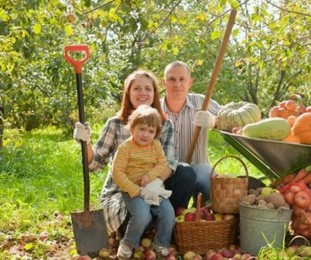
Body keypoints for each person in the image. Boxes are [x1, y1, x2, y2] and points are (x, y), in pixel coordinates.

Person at [73, 70, 196, 247]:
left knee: (186, 173)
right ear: (128, 93)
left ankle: (165, 227)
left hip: (155, 187)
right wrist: (85, 143)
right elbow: (95, 164)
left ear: (154, 93)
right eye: (136, 88)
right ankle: (141, 229)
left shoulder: (164, 124)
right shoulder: (115, 124)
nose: (143, 93)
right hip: (122, 191)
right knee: (137, 213)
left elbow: (169, 162)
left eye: (148, 88)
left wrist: (151, 187)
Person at [111, 105, 174, 259]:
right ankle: (128, 243)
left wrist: (149, 177)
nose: (146, 135)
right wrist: (134, 189)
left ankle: (161, 243)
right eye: (142, 129)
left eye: (151, 131)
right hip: (133, 190)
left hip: (153, 188)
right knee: (142, 215)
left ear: (156, 133)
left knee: (168, 213)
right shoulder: (125, 148)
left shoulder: (155, 145)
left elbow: (162, 164)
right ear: (132, 128)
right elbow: (117, 172)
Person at [161, 61, 221, 201]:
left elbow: (231, 117)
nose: (177, 84)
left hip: (198, 169)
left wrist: (215, 121)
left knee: (209, 179)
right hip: (164, 174)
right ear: (164, 83)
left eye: (182, 79)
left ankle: (207, 214)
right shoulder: (155, 109)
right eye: (172, 79)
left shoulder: (201, 103)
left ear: (190, 82)